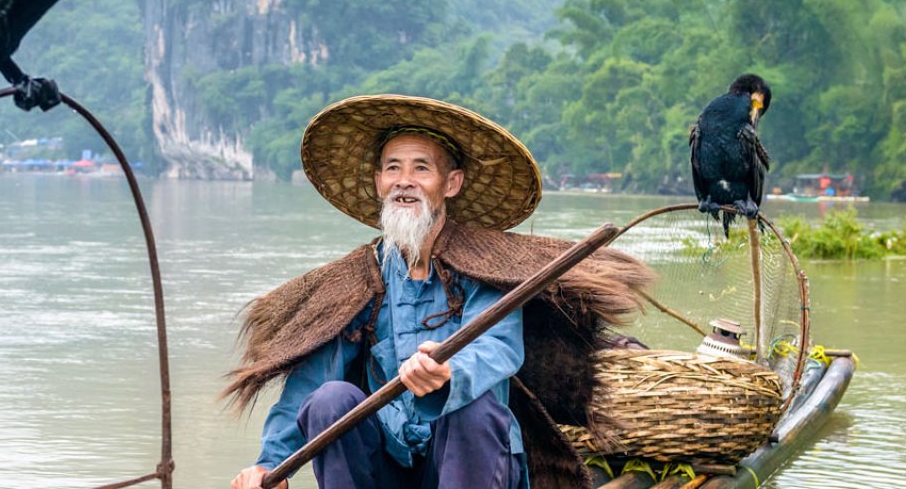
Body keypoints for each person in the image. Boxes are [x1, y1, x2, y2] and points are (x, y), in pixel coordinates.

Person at [226, 95, 655, 489]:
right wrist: (270, 463)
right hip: (389, 464)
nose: (404, 181)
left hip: (469, 463)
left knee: (471, 404)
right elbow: (311, 379)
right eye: (393, 168)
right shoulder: (361, 279)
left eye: (421, 168)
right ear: (378, 182)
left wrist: (449, 374)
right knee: (330, 399)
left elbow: (499, 349)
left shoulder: (485, 267)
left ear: (450, 184)